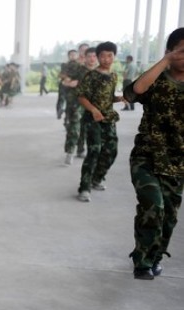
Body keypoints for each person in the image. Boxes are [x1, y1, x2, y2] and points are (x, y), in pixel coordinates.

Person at [124, 28, 184, 279]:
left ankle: (156, 257)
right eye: (181, 49)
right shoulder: (157, 77)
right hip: (147, 156)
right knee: (153, 206)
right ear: (170, 51)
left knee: (169, 216)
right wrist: (167, 61)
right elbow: (136, 89)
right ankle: (142, 261)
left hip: (178, 162)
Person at [76, 41, 123, 203]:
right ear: (97, 57)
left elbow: (108, 97)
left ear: (114, 57)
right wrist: (94, 110)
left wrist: (119, 98)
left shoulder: (113, 75)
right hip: (92, 119)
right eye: (103, 56)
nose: (106, 59)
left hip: (108, 119)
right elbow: (81, 96)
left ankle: (97, 178)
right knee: (94, 151)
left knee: (111, 151)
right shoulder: (91, 75)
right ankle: (84, 187)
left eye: (110, 55)